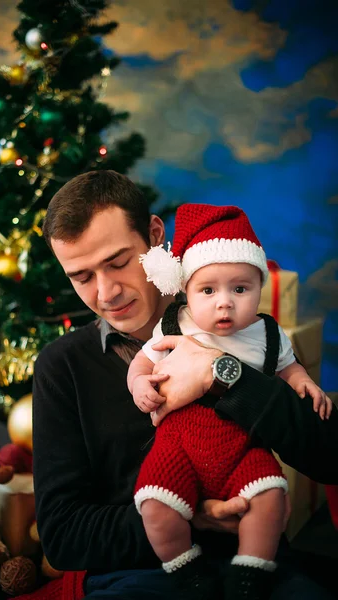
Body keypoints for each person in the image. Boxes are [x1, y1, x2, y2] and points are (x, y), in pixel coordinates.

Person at [33, 170, 338, 600]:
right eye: (81, 276)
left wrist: (224, 373)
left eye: (119, 262)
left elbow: (330, 455)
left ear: (155, 236)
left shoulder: (237, 322)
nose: (106, 293)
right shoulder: (61, 366)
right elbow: (64, 536)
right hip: (134, 576)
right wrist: (187, 516)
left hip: (256, 563)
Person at [127, 203, 332, 600]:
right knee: (154, 503)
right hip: (179, 445)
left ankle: (251, 569)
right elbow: (142, 362)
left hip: (243, 444)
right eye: (208, 290)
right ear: (186, 290)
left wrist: (304, 381)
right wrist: (139, 385)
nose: (225, 302)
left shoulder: (268, 335)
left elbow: (289, 367)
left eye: (240, 289)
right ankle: (184, 565)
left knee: (271, 496)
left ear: (259, 288)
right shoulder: (175, 324)